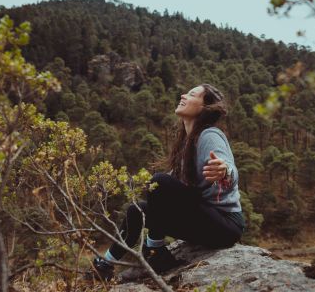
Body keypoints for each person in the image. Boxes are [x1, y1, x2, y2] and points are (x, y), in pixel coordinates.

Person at [91, 83, 245, 280]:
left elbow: (229, 168)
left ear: (204, 107)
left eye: (191, 94)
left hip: (225, 225)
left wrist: (224, 171)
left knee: (160, 182)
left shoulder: (210, 135)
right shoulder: (186, 144)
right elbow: (168, 195)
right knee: (136, 209)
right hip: (204, 219)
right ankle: (105, 265)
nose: (183, 95)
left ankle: (155, 251)